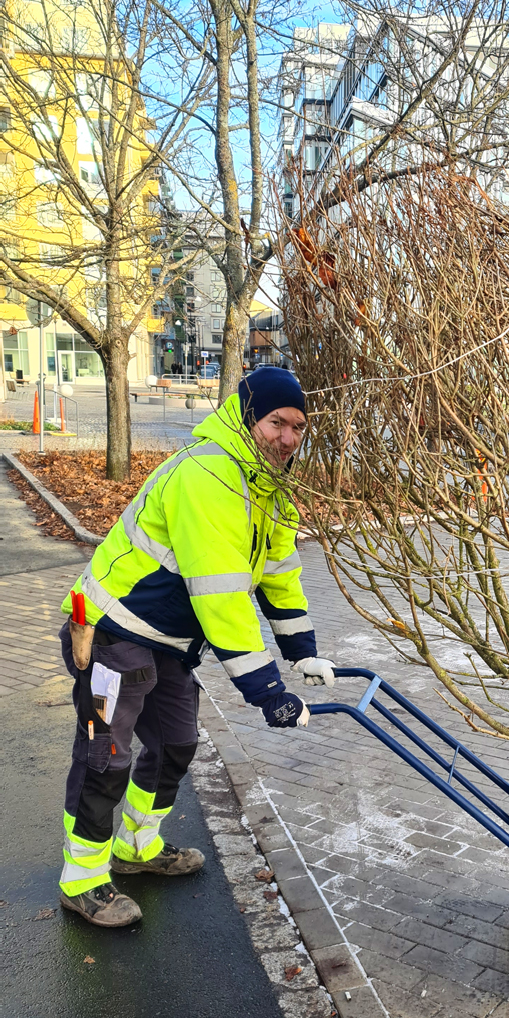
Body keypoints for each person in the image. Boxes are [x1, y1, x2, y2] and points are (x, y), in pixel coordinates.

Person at [58, 366, 335, 927]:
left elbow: (280, 572)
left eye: (298, 427)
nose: (286, 438)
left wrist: (301, 649)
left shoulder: (269, 487)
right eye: (275, 422)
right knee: (105, 756)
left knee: (176, 743)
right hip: (114, 629)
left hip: (168, 642)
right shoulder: (209, 475)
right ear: (245, 415)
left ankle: (137, 849)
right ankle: (82, 879)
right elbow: (221, 592)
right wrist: (264, 689)